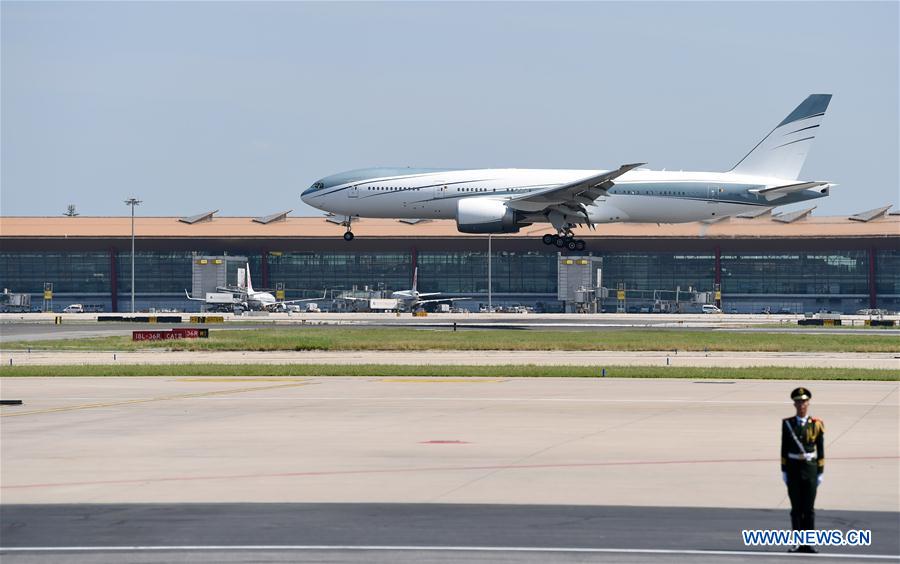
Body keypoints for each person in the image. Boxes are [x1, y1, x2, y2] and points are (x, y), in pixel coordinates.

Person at [781, 387, 825, 554]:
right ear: (794, 404)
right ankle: (797, 543)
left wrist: (820, 471)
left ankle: (809, 544)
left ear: (808, 403)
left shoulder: (817, 424)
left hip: (810, 469)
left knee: (809, 509)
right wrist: (783, 470)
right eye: (798, 402)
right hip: (793, 469)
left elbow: (820, 449)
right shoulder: (787, 424)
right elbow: (784, 448)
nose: (801, 405)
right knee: (796, 509)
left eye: (804, 402)